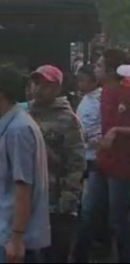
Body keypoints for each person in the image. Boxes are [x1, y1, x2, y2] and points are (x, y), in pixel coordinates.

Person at [0, 66, 50, 263]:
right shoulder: (15, 125)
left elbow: (23, 186)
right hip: (0, 222)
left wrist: (17, 238)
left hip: (12, 231)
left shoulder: (19, 130)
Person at [73, 49, 130, 263]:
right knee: (88, 210)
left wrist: (117, 131)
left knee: (118, 220)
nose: (96, 68)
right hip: (103, 161)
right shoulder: (104, 92)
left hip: (123, 167)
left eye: (99, 65)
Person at [27, 65, 85, 263]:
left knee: (54, 255)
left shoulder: (68, 119)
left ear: (58, 89)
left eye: (46, 85)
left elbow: (76, 162)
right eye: (36, 83)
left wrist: (68, 198)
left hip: (56, 203)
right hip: (29, 198)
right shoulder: (26, 114)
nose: (39, 89)